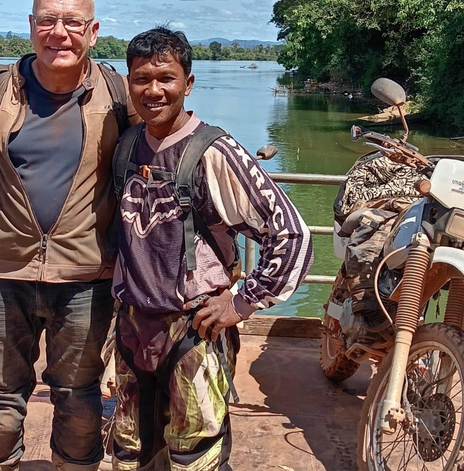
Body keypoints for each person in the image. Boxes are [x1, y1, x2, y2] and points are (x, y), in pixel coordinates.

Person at [0, 0, 136, 471]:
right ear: (31, 26)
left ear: (93, 31)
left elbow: (159, 173)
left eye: (72, 22)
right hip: (1, 277)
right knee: (0, 405)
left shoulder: (121, 96)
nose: (58, 32)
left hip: (86, 278)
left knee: (80, 400)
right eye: (48, 20)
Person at [110, 27, 314, 470]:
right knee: (130, 453)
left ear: (188, 83)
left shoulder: (215, 152)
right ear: (129, 83)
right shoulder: (127, 145)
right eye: (142, 78)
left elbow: (293, 234)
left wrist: (242, 302)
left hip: (194, 331)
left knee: (197, 454)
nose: (154, 89)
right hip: (133, 329)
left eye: (166, 78)